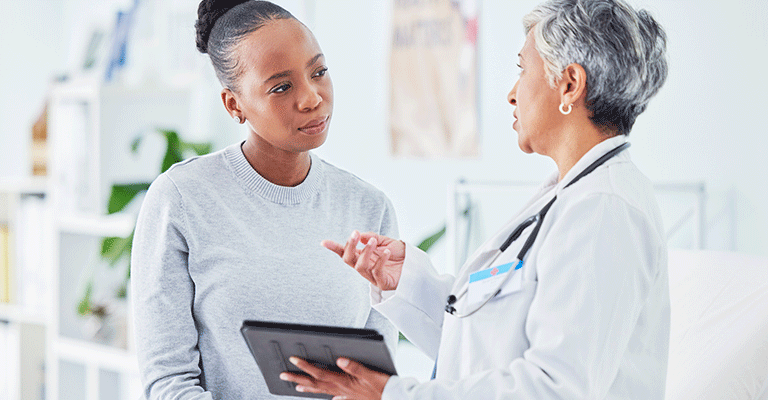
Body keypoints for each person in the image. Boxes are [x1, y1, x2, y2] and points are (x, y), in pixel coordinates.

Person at [280, 0, 671, 398]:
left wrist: (394, 394)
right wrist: (409, 282)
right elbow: (485, 346)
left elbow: (556, 389)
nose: (512, 94)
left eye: (523, 70)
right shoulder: (569, 196)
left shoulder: (604, 209)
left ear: (569, 84)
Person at [130, 1, 399, 398]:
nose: (312, 98)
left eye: (319, 72)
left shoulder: (368, 207)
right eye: (281, 86)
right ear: (234, 104)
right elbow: (168, 382)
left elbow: (376, 383)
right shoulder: (182, 200)